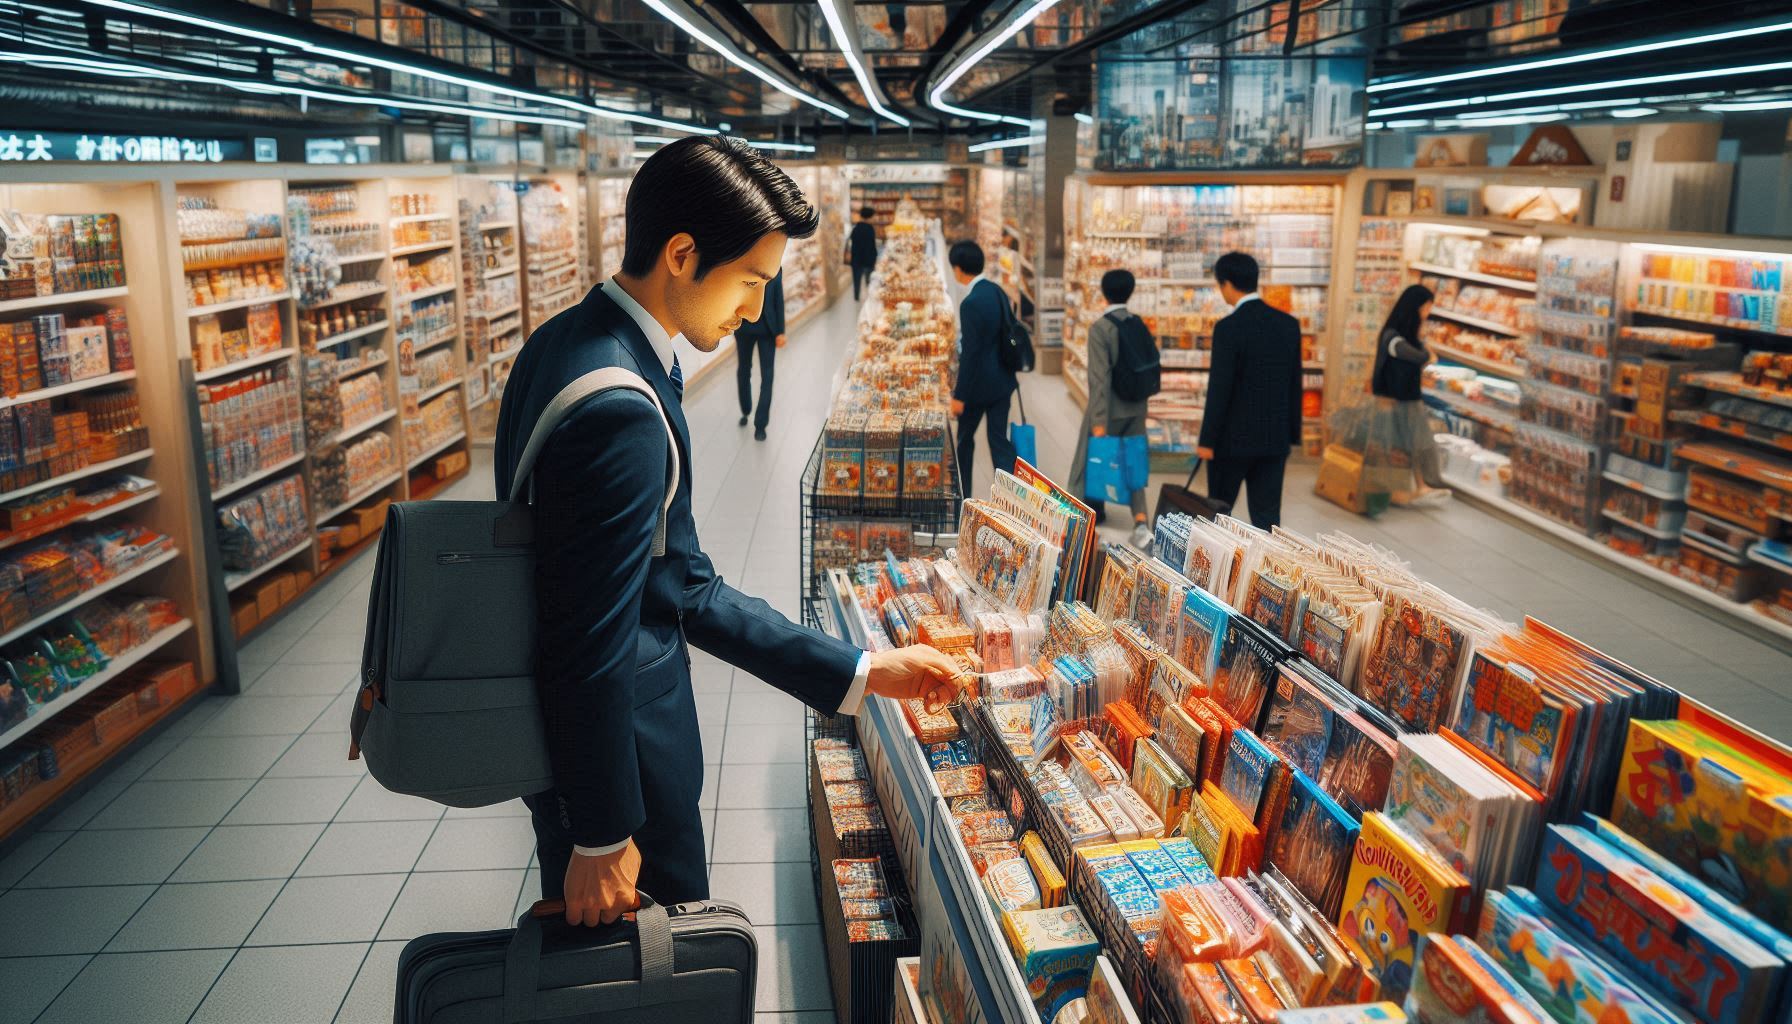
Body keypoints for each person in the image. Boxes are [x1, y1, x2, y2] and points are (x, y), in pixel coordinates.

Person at [494, 136, 966, 928]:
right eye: (750, 281)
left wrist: (864, 670)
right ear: (681, 254)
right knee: (661, 976)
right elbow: (590, 636)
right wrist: (602, 836)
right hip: (625, 774)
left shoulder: (563, 342)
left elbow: (673, 579)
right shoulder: (619, 408)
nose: (754, 308)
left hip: (590, 758)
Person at [1196, 251, 1303, 530]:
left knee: (1218, 513)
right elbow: (1295, 383)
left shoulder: (1228, 328)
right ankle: (1268, 570)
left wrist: (1207, 441)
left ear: (1228, 284)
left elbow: (1220, 388)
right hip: (1274, 440)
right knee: (1267, 518)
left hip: (1231, 441)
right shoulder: (1288, 325)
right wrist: (1292, 433)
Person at [1069, 269, 1154, 548]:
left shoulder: (1101, 329)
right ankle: (1141, 523)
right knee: (1133, 463)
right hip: (1136, 407)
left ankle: (1079, 521)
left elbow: (1099, 380)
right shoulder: (1138, 323)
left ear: (1104, 293)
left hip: (1110, 409)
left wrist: (1099, 422)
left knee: (1086, 460)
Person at [1371, 284, 1451, 507]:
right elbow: (1420, 357)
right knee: (1406, 444)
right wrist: (1427, 352)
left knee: (1409, 444)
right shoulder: (1394, 339)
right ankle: (1408, 487)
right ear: (1413, 310)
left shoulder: (1398, 336)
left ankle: (1418, 485)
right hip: (1396, 400)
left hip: (1404, 399)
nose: (1426, 315)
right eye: (1424, 310)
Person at [948, 239, 1018, 484]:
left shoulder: (970, 304)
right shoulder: (996, 290)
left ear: (958, 269)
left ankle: (965, 498)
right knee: (999, 441)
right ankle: (1009, 500)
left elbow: (971, 353)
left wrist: (959, 396)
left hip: (978, 388)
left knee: (965, 442)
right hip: (1003, 381)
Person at [735, 268, 784, 441]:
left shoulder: (775, 266)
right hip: (744, 328)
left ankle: (760, 424)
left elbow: (779, 299)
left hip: (768, 330)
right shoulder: (744, 263)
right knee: (744, 370)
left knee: (767, 376)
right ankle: (746, 409)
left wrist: (781, 332)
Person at [848, 205, 878, 301]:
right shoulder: (870, 229)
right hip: (868, 260)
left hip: (856, 259)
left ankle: (856, 297)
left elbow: (852, 244)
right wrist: (874, 257)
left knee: (856, 280)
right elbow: (871, 246)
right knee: (869, 281)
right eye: (873, 216)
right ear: (869, 216)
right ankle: (869, 298)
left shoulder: (856, 228)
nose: (874, 218)